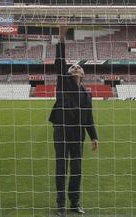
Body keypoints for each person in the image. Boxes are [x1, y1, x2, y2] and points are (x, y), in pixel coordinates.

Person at [49, 19, 99, 217]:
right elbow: (60, 61)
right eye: (73, 67)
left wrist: (94, 136)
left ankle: (74, 202)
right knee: (61, 166)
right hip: (61, 129)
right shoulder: (63, 83)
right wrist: (62, 35)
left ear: (83, 74)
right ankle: (61, 204)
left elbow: (89, 117)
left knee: (77, 168)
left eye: (79, 67)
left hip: (78, 132)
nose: (76, 68)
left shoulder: (87, 94)